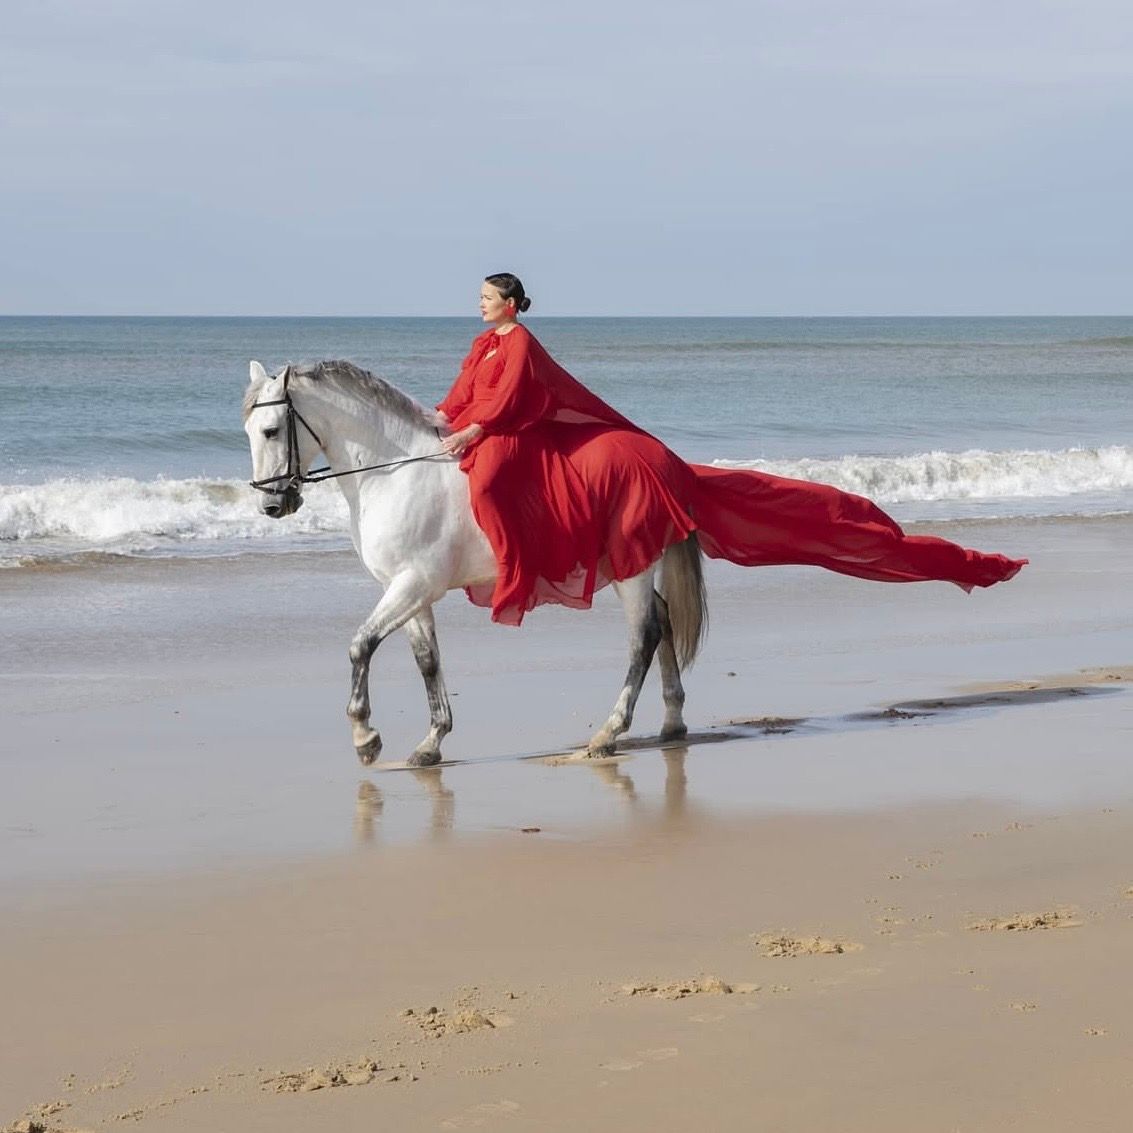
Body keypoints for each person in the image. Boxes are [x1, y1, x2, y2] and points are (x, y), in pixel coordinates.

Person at [437, 272, 1026, 626]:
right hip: (490, 428)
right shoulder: (482, 342)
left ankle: (516, 569)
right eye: (482, 296)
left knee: (487, 483)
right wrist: (437, 418)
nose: (481, 302)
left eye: (489, 296)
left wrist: (472, 433)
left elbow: (509, 399)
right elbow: (462, 392)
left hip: (508, 432)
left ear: (511, 304)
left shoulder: (520, 343)